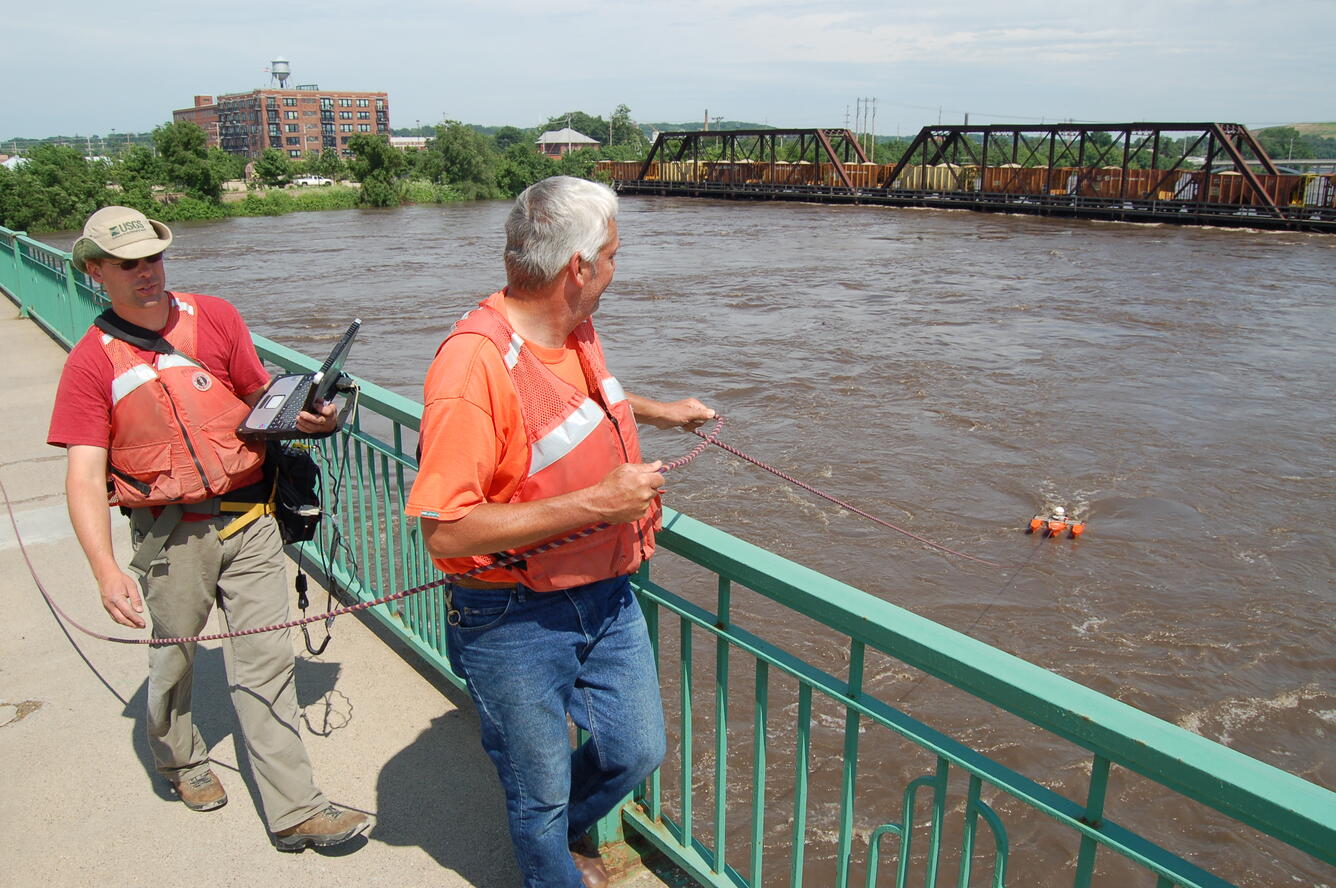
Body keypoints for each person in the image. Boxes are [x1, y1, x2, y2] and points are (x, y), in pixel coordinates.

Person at [406, 176, 714, 888]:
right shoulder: (470, 367)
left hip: (604, 594)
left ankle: (553, 836)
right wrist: (600, 502)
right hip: (510, 616)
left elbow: (567, 401)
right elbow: (446, 533)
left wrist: (658, 411)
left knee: (636, 750)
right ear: (578, 268)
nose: (616, 266)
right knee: (538, 794)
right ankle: (553, 863)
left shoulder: (567, 328)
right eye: (612, 254)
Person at [48, 206, 370, 851]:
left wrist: (312, 418)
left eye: (153, 258)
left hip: (250, 521)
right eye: (128, 264)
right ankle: (181, 759)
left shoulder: (216, 315)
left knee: (267, 662)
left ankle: (296, 810)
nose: (147, 273)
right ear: (94, 271)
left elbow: (258, 399)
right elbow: (84, 477)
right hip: (170, 537)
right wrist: (107, 571)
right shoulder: (91, 363)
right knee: (174, 655)